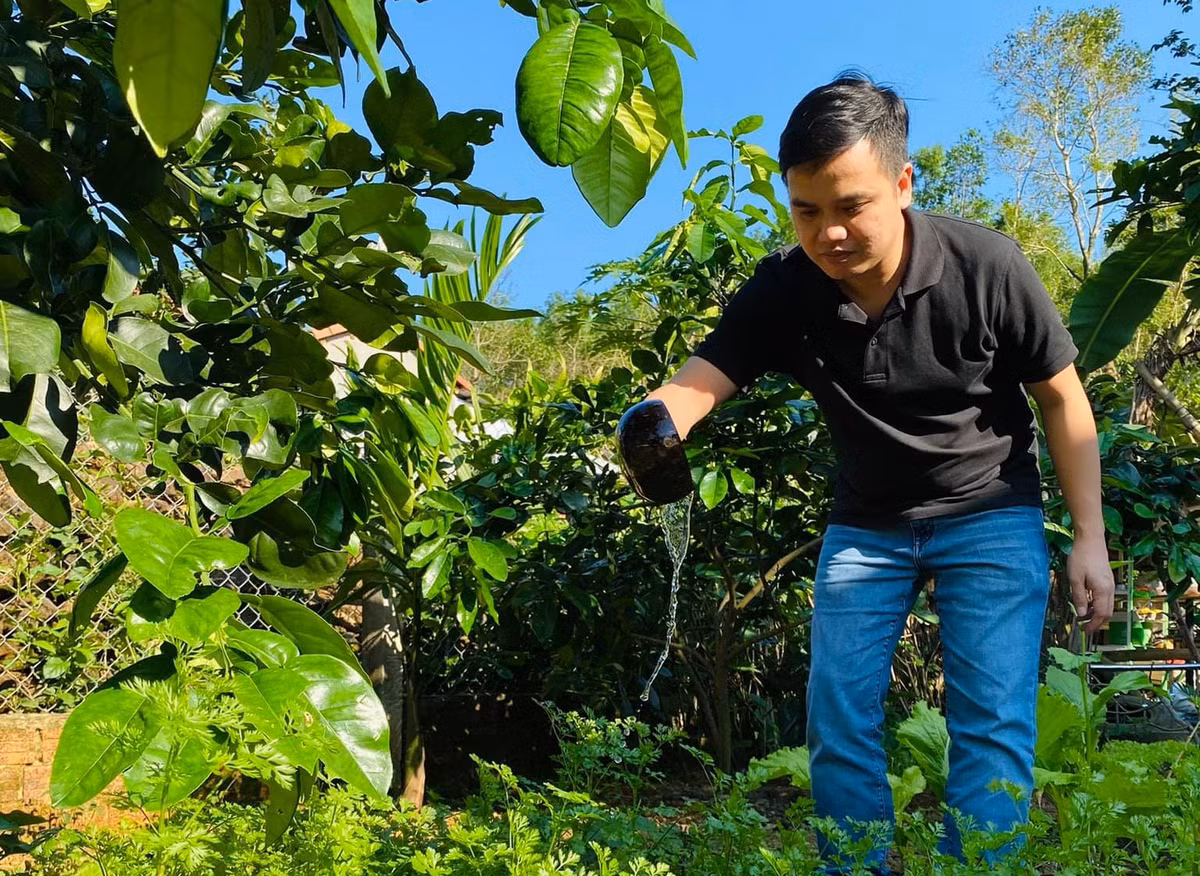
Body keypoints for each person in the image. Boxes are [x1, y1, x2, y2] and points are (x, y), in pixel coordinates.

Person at [639, 72, 1115, 871]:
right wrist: (652, 426)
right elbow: (697, 383)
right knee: (837, 715)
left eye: (851, 205)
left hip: (991, 510)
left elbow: (1063, 399)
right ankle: (859, 865)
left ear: (901, 183)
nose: (828, 233)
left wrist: (1089, 538)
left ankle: (980, 867)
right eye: (807, 210)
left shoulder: (986, 265)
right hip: (867, 527)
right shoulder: (787, 290)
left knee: (992, 719)